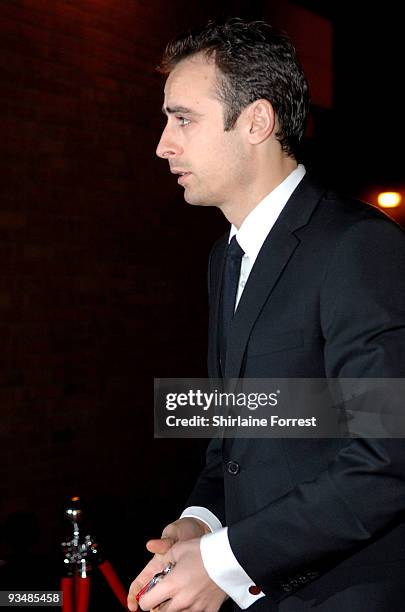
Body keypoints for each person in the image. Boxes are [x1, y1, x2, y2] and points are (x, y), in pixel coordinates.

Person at [127, 18, 405, 612]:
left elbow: (389, 455)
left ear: (256, 120)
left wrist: (226, 562)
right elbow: (236, 430)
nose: (163, 144)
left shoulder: (357, 247)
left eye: (183, 119)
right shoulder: (225, 256)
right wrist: (203, 521)